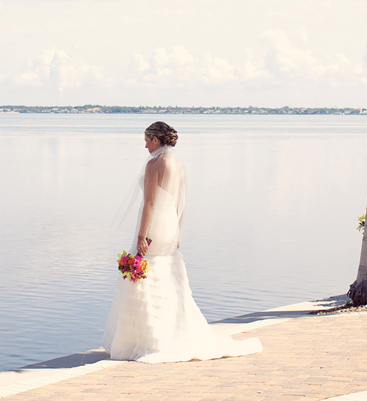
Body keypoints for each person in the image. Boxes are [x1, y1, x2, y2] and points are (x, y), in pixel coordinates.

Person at [102, 121, 263, 362]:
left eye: (147, 139)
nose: (144, 144)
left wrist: (141, 236)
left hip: (154, 226)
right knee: (165, 275)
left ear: (157, 139)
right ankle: (168, 334)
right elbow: (180, 202)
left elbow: (149, 203)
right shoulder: (178, 164)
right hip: (169, 227)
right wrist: (176, 230)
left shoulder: (154, 163)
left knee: (145, 276)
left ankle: (146, 339)